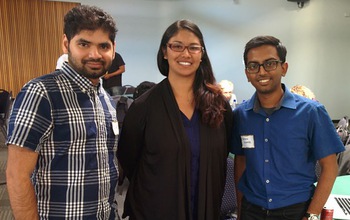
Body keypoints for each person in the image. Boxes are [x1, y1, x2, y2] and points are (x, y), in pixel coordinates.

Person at [6, 5, 120, 219]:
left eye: (103, 46)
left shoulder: (106, 100)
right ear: (66, 43)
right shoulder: (41, 92)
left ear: (113, 48)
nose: (94, 54)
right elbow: (16, 175)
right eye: (84, 44)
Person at [117, 19, 233, 220]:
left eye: (193, 48)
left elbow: (224, 154)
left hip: (206, 209)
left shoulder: (219, 106)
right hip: (156, 210)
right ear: (165, 51)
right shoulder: (144, 107)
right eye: (177, 46)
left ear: (202, 54)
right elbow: (129, 161)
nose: (185, 54)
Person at [231, 35, 345, 220]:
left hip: (296, 211)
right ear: (246, 73)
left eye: (270, 63)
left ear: (284, 68)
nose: (261, 72)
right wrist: (240, 208)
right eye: (253, 66)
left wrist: (312, 214)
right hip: (251, 210)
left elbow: (329, 167)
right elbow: (241, 162)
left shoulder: (311, 112)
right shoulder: (241, 115)